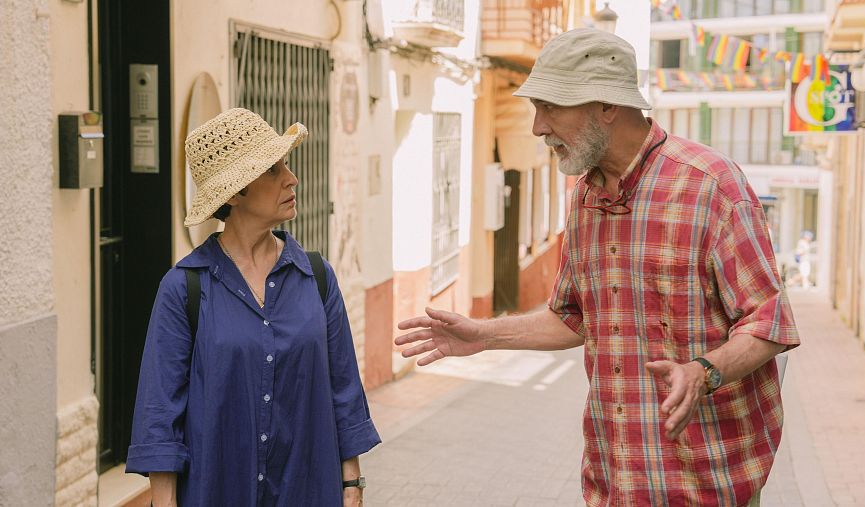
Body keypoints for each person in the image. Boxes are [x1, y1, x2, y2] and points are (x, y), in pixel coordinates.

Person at [396, 29, 800, 506]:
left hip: (706, 482)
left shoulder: (712, 186)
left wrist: (703, 372)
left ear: (608, 104)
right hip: (616, 481)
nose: (537, 128)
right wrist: (485, 336)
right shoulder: (586, 196)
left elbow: (770, 322)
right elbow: (574, 317)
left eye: (551, 107)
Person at [125, 108, 380, 506]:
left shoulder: (316, 277)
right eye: (272, 170)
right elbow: (160, 411)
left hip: (307, 489)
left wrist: (352, 484)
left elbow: (343, 389)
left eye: (286, 165)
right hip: (217, 490)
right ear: (235, 193)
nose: (291, 178)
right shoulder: (184, 288)